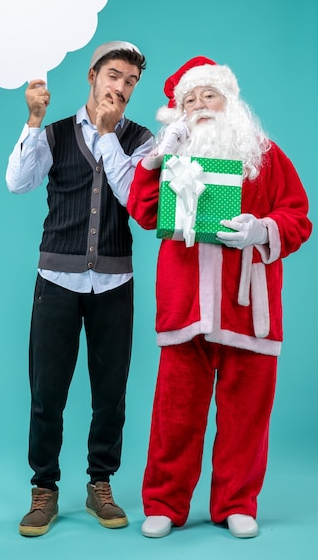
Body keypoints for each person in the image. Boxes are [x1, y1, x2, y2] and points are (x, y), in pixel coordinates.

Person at [127, 56, 312, 539]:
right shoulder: (170, 158)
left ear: (230, 101)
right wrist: (152, 162)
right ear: (179, 112)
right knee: (175, 413)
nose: (200, 105)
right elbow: (144, 213)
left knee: (246, 414)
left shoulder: (264, 155)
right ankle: (165, 503)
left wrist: (262, 229)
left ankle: (236, 502)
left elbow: (298, 215)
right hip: (185, 305)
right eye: (189, 99)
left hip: (248, 308)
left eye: (209, 95)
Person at [6, 41, 154, 537]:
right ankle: (44, 488)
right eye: (114, 76)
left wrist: (110, 138)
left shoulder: (142, 140)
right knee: (47, 391)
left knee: (110, 393)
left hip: (115, 281)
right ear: (92, 75)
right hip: (57, 280)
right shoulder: (53, 133)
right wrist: (32, 120)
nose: (121, 88)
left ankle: (100, 482)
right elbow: (18, 183)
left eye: (131, 82)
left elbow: (137, 200)